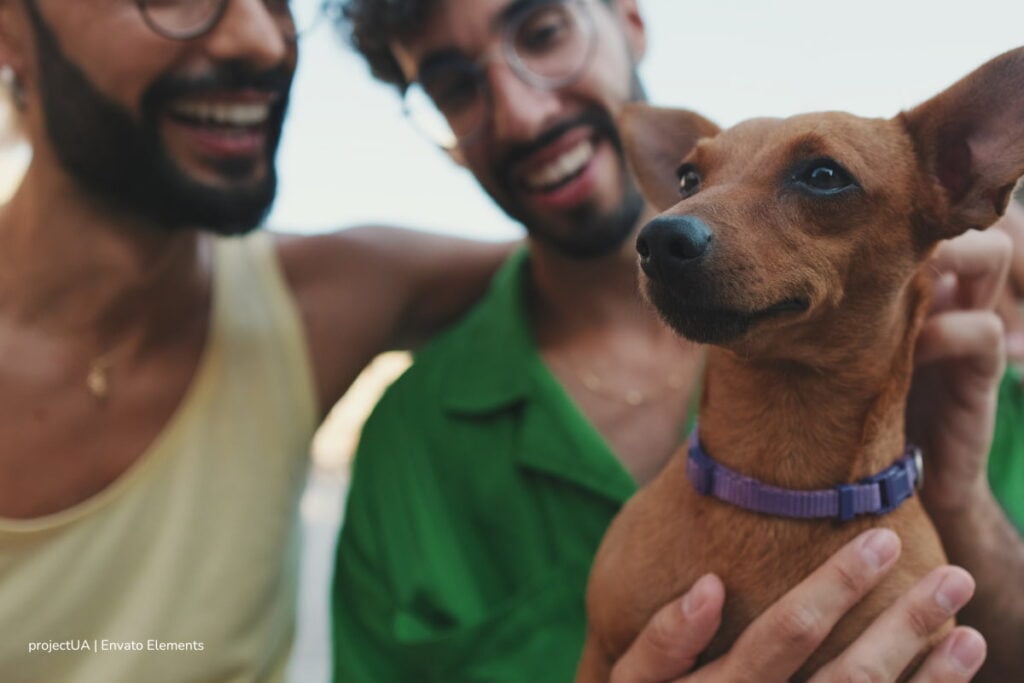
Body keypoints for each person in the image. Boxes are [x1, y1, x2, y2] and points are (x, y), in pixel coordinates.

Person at [331, 0, 1024, 680]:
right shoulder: (408, 441)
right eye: (691, 181)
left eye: (542, 32)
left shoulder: (970, 376)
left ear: (629, 19)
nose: (522, 111)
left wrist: (961, 499)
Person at [0, 1, 510, 681]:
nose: (263, 41)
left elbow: (606, 263)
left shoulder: (311, 305)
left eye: (277, 2)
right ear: (10, 33)